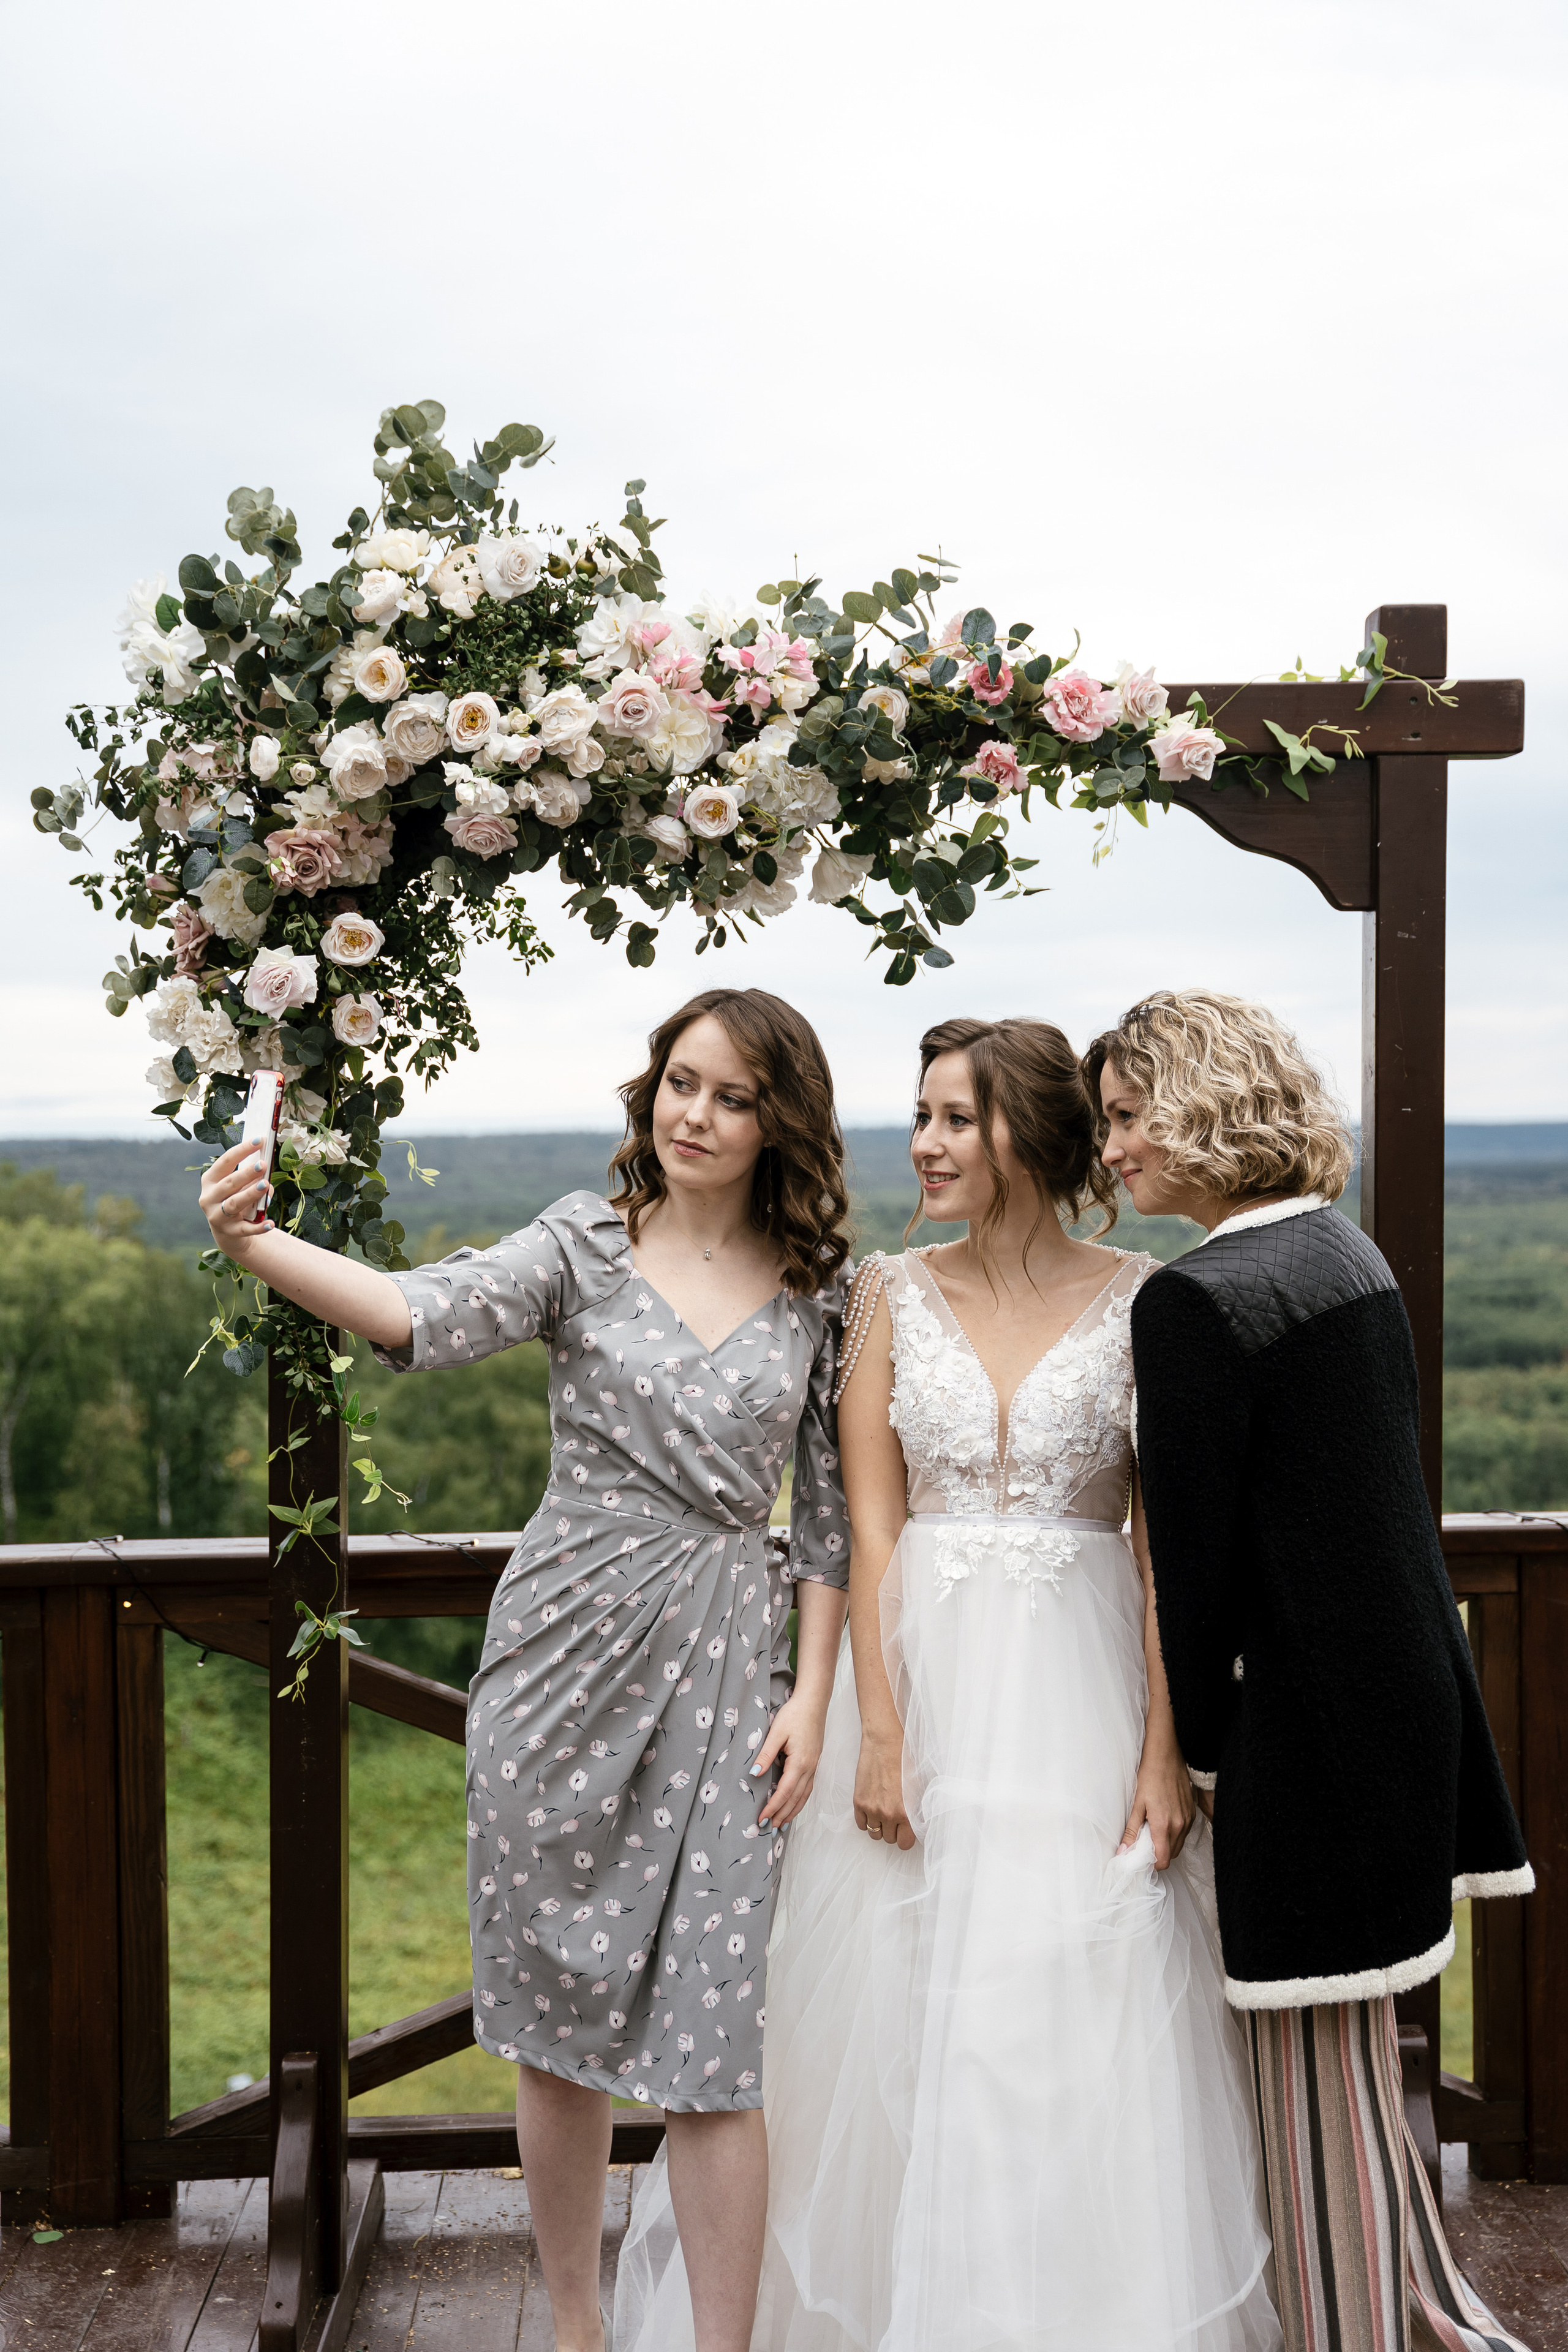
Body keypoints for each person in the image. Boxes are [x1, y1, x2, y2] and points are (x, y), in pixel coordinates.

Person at [199, 987, 854, 2352]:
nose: (696, 1115)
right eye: (681, 1082)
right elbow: (417, 1314)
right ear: (650, 1089)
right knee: (555, 2024)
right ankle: (575, 2330)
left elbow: (834, 1521)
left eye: (733, 1097)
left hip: (736, 1675)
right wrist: (259, 1243)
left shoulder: (822, 1292)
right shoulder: (581, 1245)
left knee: (714, 2051)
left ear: (778, 1121)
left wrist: (814, 1693)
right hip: (561, 1664)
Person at [617, 1016, 1281, 2351]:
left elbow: (1160, 1546)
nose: (922, 1143)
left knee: (1065, 2010)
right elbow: (865, 1524)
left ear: (1029, 1136)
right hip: (912, 1681)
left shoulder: (1147, 1300)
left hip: (1078, 1690)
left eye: (955, 1120)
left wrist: (1161, 1750)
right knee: (890, 2020)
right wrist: (877, 1731)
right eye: (919, 1116)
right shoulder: (882, 1294)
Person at [1087, 989, 1534, 2352]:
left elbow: (1201, 1576)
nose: (1108, 1150)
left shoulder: (1194, 1298)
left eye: (1125, 1117)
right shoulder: (1345, 1253)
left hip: (1304, 1734)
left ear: (1202, 1104)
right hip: (1404, 1708)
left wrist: (1204, 1756)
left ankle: (1358, 2329)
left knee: (1300, 2080)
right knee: (1350, 2064)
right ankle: (1411, 2307)